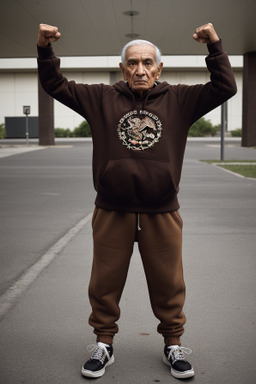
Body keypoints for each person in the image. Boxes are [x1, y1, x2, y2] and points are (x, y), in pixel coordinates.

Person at [37, 22, 237, 380]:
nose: (140, 69)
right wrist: (44, 49)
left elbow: (225, 86)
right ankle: (104, 344)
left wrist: (215, 46)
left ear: (159, 68)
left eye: (147, 62)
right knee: (104, 281)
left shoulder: (179, 99)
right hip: (112, 209)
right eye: (132, 63)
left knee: (168, 281)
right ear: (122, 68)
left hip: (162, 210)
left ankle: (173, 344)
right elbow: (55, 85)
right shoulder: (100, 98)